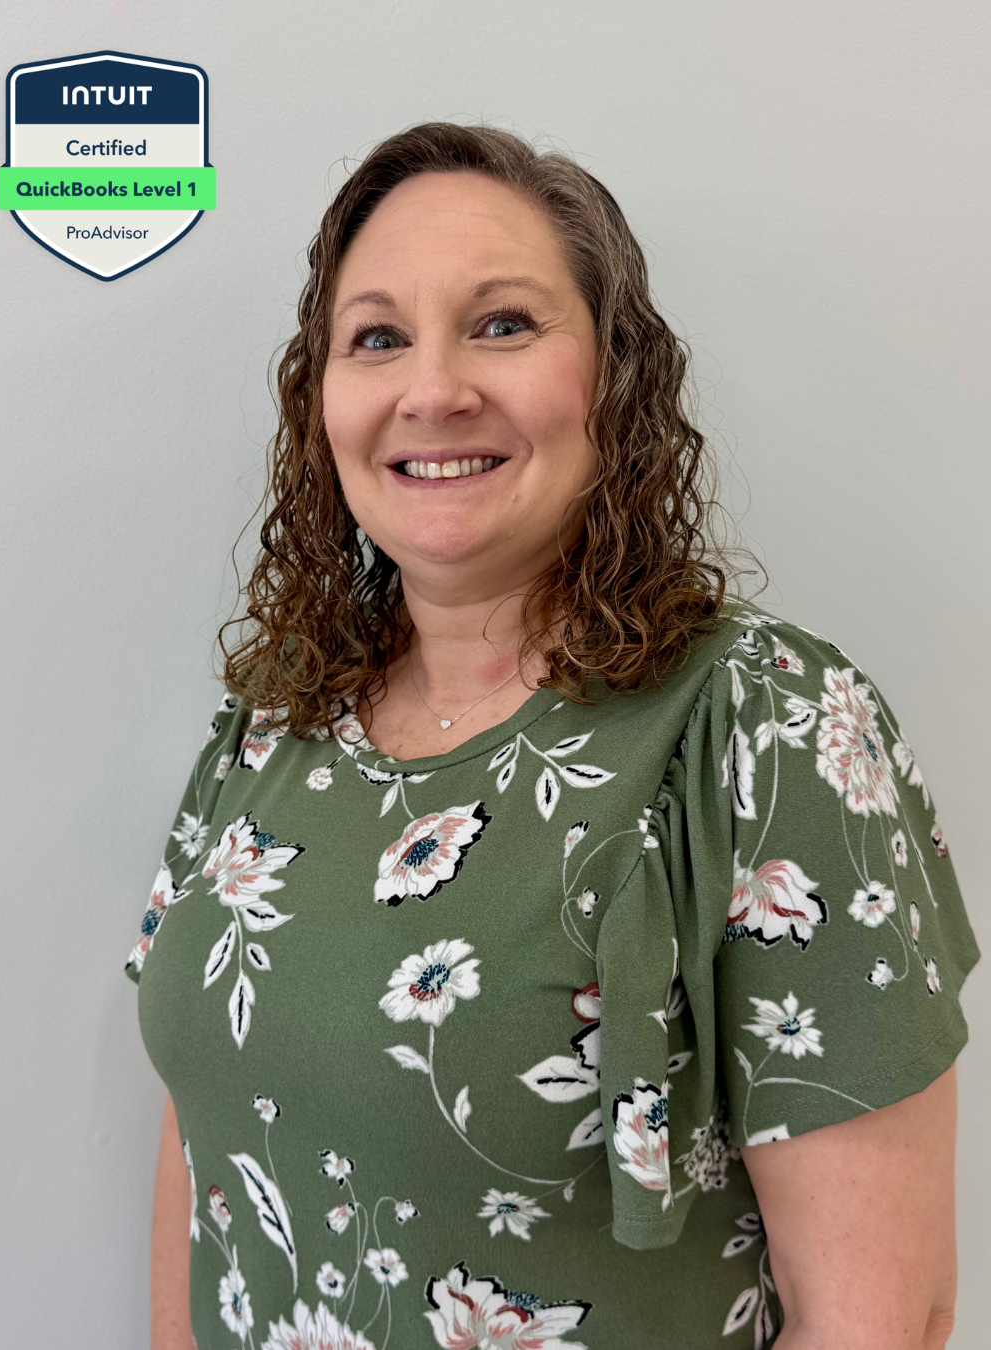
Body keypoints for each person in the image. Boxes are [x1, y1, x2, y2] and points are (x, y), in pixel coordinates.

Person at [126, 123, 979, 1350]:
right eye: (376, 338)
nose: (433, 389)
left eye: (503, 324)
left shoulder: (762, 724)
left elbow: (881, 1320)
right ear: (323, 402)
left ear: (615, 377)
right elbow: (197, 1156)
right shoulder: (272, 727)